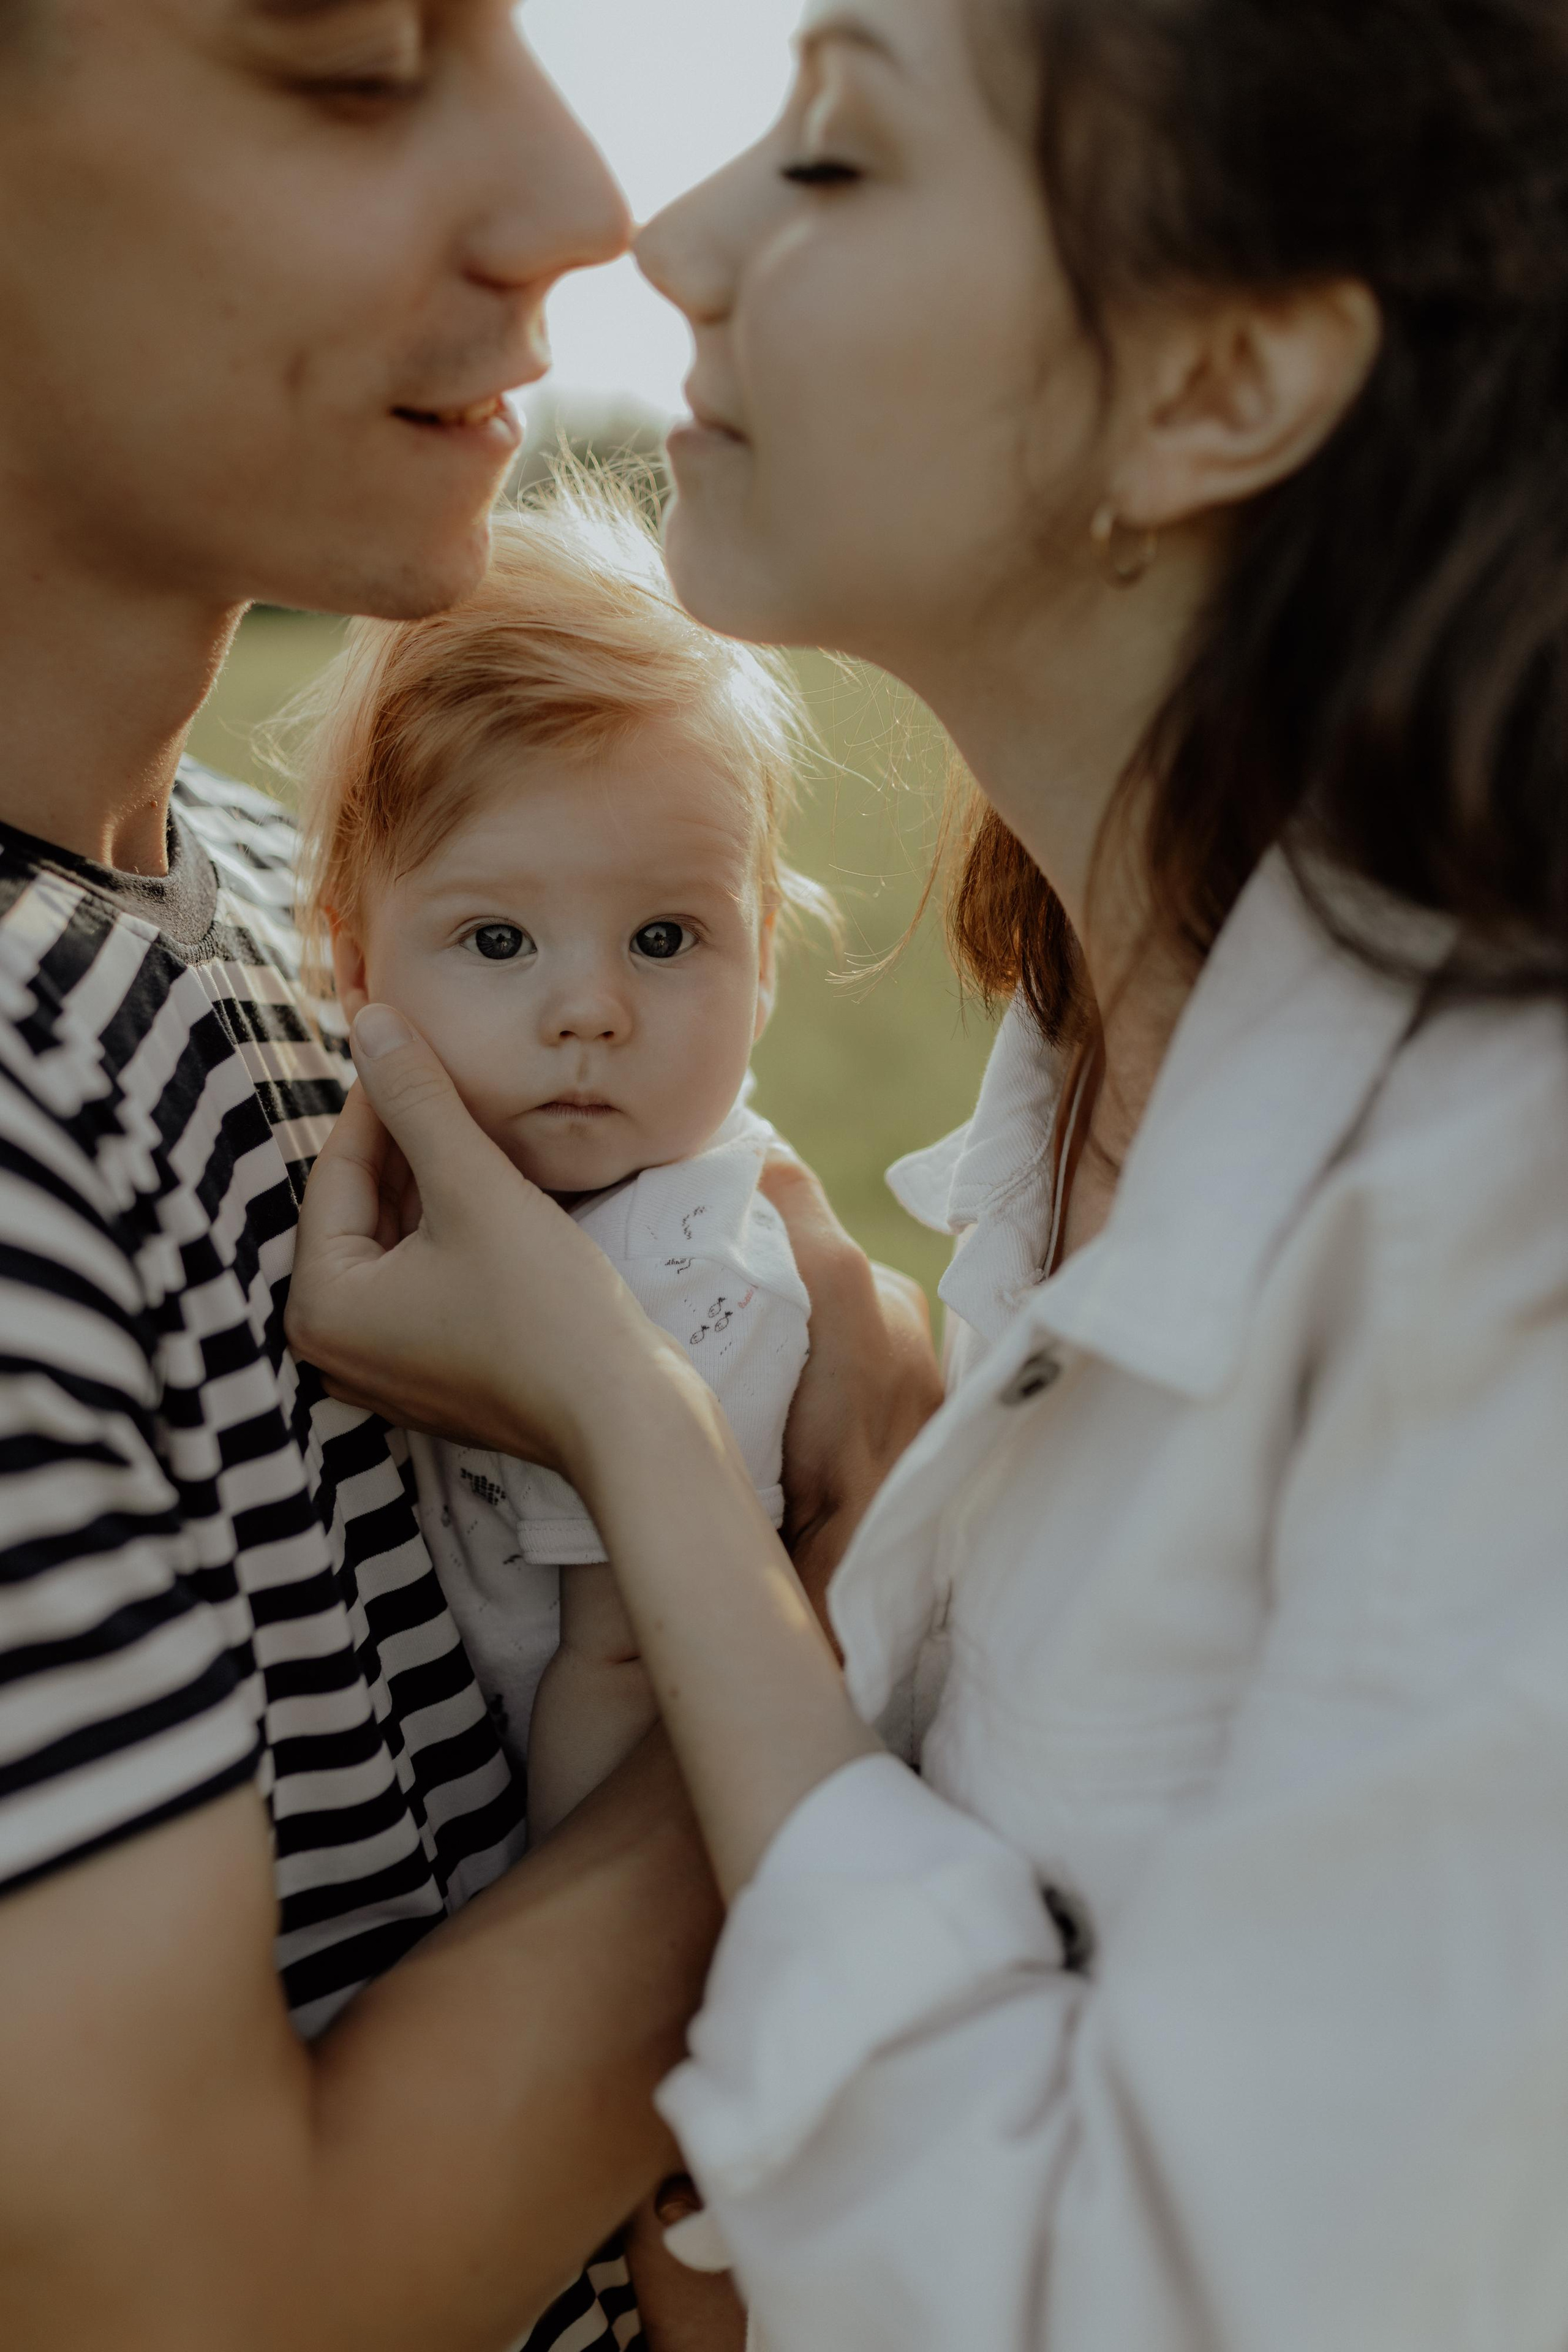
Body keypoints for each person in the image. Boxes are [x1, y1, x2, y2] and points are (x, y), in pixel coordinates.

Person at [288, 0, 1568, 2345]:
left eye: (844, 156)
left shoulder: (1505, 1254)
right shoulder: (1078, 1045)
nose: (670, 235)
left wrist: (643, 1452)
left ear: (1216, 385)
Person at [0, 7, 937, 2350]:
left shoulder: (296, 923)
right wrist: (820, 1582)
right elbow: (202, 2302)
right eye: (345, 57)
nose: (582, 201)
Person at [292, 484, 823, 1839]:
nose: (590, 1010)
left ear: (763, 962)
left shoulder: (684, 1265)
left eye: (663, 939)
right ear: (354, 966)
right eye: (499, 941)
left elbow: (627, 1659)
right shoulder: (418, 1174)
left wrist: (528, 1926)